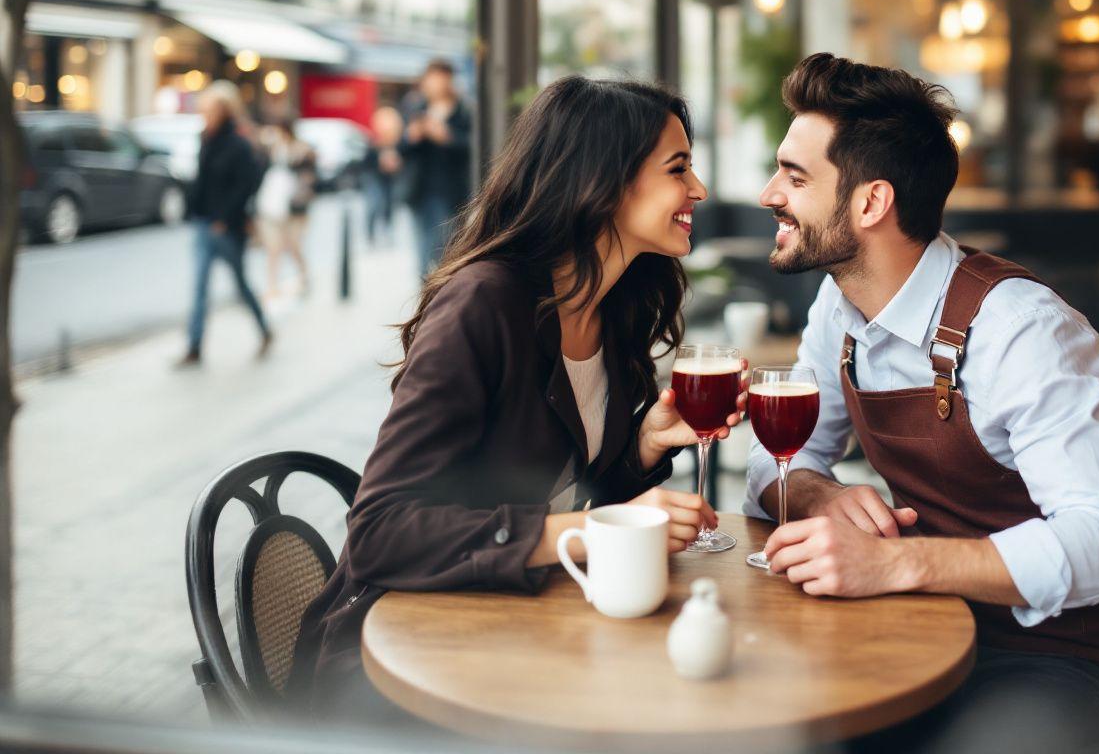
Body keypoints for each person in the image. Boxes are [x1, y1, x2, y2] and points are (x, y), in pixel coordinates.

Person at [741, 54, 1099, 752]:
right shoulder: (840, 305)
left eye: (795, 177)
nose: (769, 193)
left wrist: (896, 565)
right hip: (933, 626)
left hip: (1074, 661)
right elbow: (774, 461)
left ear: (870, 203)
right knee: (784, 725)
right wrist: (819, 496)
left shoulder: (1023, 330)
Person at [289, 76, 747, 721]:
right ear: (605, 180)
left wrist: (641, 446)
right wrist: (587, 532)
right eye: (679, 169)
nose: (698, 189)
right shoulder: (484, 304)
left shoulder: (611, 307)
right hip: (400, 664)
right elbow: (379, 534)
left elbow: (564, 493)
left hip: (520, 633)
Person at [177, 81, 272, 368]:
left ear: (225, 110)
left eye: (211, 109)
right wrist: (192, 208)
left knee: (240, 285)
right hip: (203, 224)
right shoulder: (205, 138)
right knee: (199, 288)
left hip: (228, 228)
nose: (206, 114)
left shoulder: (239, 144)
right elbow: (202, 180)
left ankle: (265, 329)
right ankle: (194, 347)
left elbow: (248, 185)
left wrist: (225, 217)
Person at [399, 59, 473, 277]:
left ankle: (439, 297)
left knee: (443, 251)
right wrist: (412, 137)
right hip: (419, 191)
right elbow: (402, 149)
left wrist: (446, 136)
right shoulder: (416, 108)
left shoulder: (464, 110)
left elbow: (473, 147)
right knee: (422, 253)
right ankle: (426, 298)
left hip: (449, 192)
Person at [255, 120, 317, 300]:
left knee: (293, 245)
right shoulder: (273, 148)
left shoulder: (303, 150)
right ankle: (272, 285)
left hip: (294, 206)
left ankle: (304, 275)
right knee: (273, 247)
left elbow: (309, 179)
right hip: (273, 202)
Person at [362, 106, 403, 247]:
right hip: (373, 176)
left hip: (389, 178)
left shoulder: (397, 143)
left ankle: (387, 230)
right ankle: (370, 234)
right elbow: (365, 161)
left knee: (389, 204)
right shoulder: (372, 141)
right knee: (374, 203)